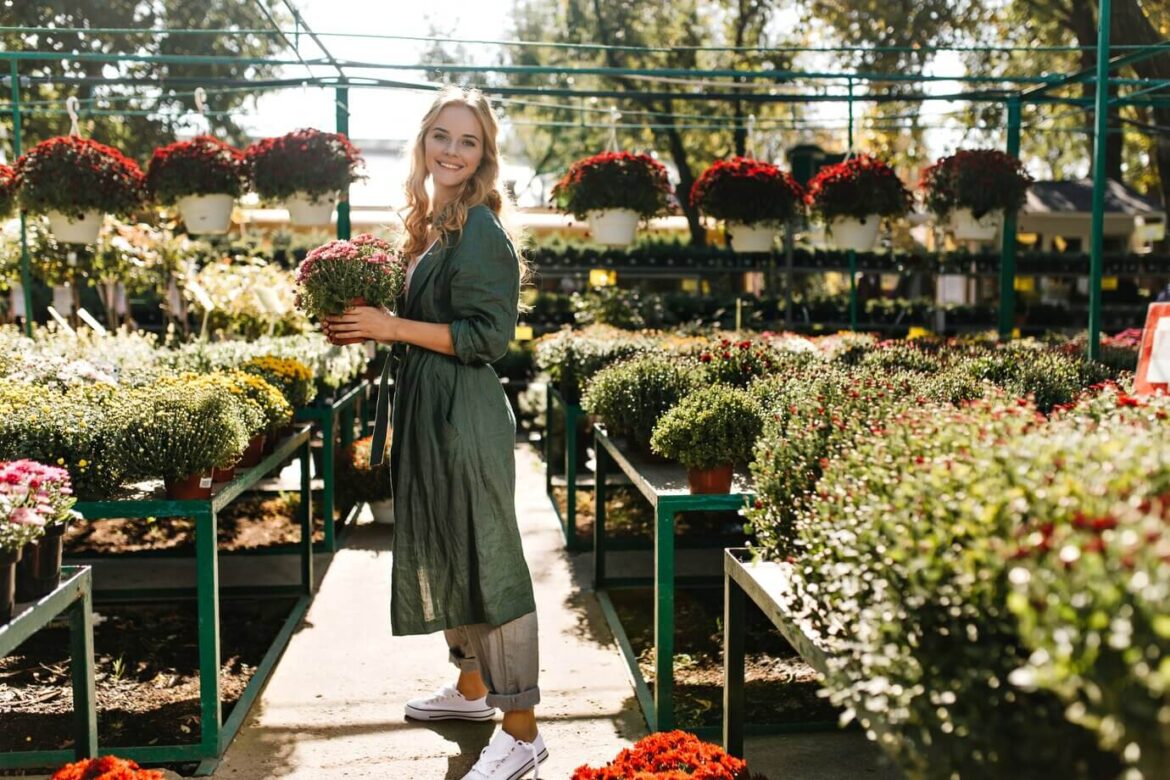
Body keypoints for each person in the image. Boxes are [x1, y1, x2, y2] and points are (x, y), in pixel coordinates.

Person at [323, 86, 545, 780]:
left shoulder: (479, 227)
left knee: (491, 563)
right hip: (431, 409)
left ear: (484, 156)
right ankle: (474, 692)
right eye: (442, 136)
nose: (452, 150)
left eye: (468, 141)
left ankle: (524, 729)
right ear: (424, 142)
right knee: (451, 548)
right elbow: (424, 320)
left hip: (465, 416)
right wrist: (365, 315)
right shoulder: (434, 222)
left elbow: (489, 337)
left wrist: (391, 327)